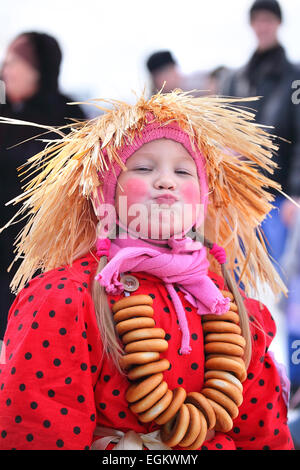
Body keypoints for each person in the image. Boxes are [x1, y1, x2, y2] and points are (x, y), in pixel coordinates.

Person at [0, 90, 294, 450]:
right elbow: (37, 431)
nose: (166, 181)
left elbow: (265, 437)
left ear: (201, 200)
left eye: (183, 171)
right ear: (103, 196)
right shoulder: (65, 298)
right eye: (143, 167)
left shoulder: (233, 308)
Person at [0, 32, 86, 339]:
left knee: (36, 336)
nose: (5, 69)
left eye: (15, 62)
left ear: (41, 69)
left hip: (45, 253)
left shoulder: (68, 115)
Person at [221, 0, 300, 272]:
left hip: (279, 197)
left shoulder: (295, 77)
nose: (263, 26)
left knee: (282, 276)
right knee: (236, 275)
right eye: (258, 20)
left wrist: (297, 194)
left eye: (269, 20)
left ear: (278, 23)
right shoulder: (235, 79)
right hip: (240, 197)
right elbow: (223, 131)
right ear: (252, 25)